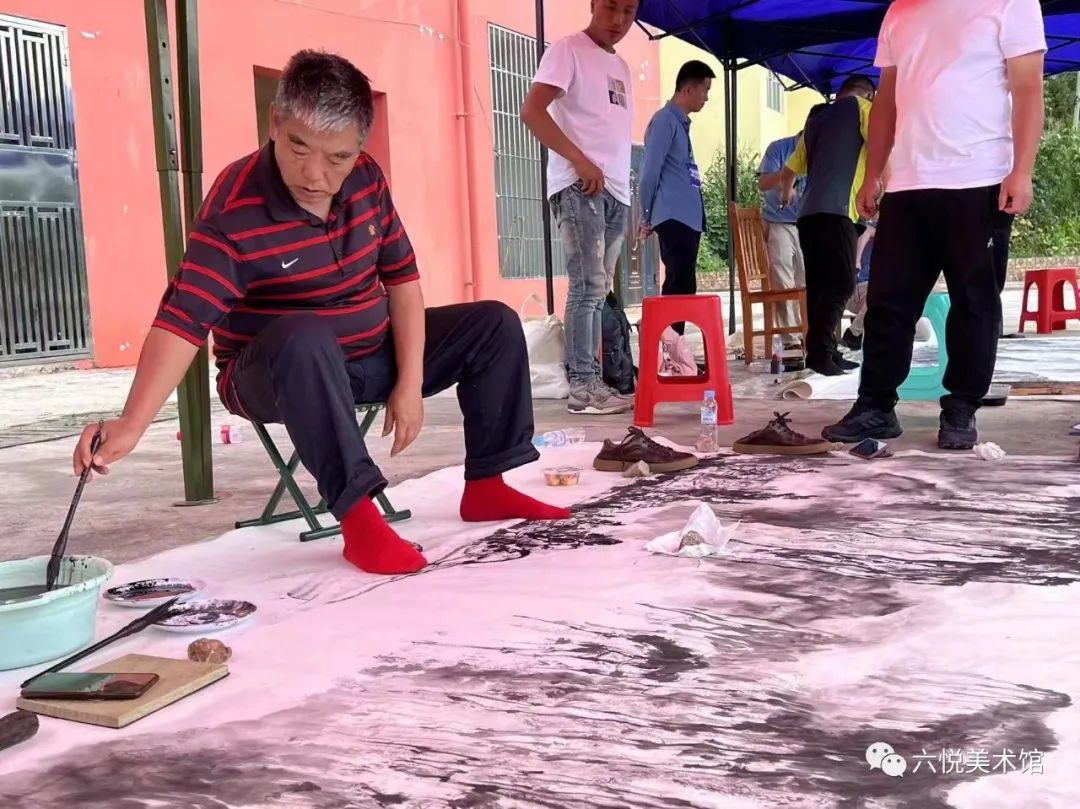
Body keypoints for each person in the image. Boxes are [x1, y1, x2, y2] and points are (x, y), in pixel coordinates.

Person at [72, 50, 570, 577]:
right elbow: (182, 320)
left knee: (493, 322)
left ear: (359, 146)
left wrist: (410, 381)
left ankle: (488, 486)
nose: (315, 175)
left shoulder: (367, 180)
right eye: (298, 147)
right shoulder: (235, 211)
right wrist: (132, 423)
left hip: (367, 354)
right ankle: (359, 522)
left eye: (338, 157)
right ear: (274, 124)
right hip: (275, 372)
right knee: (304, 334)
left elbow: (401, 279)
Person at [823, 0, 1046, 450]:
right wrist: (873, 173)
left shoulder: (1011, 3)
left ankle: (961, 407)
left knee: (974, 302)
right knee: (887, 301)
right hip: (908, 181)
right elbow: (886, 100)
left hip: (980, 176)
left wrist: (1022, 171)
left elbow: (1027, 89)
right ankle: (876, 406)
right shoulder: (899, 12)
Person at [521, 0, 639, 416]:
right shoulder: (568, 49)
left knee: (598, 289)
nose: (619, 20)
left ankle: (596, 382)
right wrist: (579, 160)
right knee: (586, 287)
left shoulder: (621, 67)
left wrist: (623, 188)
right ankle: (583, 386)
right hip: (580, 187)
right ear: (592, 4)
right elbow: (532, 111)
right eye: (610, 8)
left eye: (629, 10)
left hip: (617, 192)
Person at [779, 78, 876, 377]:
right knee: (841, 284)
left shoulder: (817, 119)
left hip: (808, 215)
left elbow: (788, 172)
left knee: (819, 286)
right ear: (869, 95)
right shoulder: (864, 109)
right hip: (839, 212)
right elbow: (881, 147)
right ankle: (820, 352)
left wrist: (787, 196)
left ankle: (825, 352)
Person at [638, 59, 715, 335]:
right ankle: (667, 348)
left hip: (687, 218)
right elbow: (649, 173)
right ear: (687, 89)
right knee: (678, 287)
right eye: (704, 89)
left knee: (684, 287)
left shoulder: (681, 124)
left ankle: (673, 348)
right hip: (673, 217)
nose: (707, 97)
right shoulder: (664, 121)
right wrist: (645, 216)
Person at [757, 128, 808, 348]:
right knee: (782, 278)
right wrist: (789, 172)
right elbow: (763, 183)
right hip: (779, 222)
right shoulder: (778, 148)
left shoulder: (821, 151)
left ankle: (810, 334)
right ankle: (790, 339)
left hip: (809, 223)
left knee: (809, 281)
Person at [842, 219, 876, 351]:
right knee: (880, 292)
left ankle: (861, 326)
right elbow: (867, 230)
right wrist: (856, 261)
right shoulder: (863, 226)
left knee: (924, 333)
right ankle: (854, 332)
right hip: (860, 286)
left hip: (881, 291)